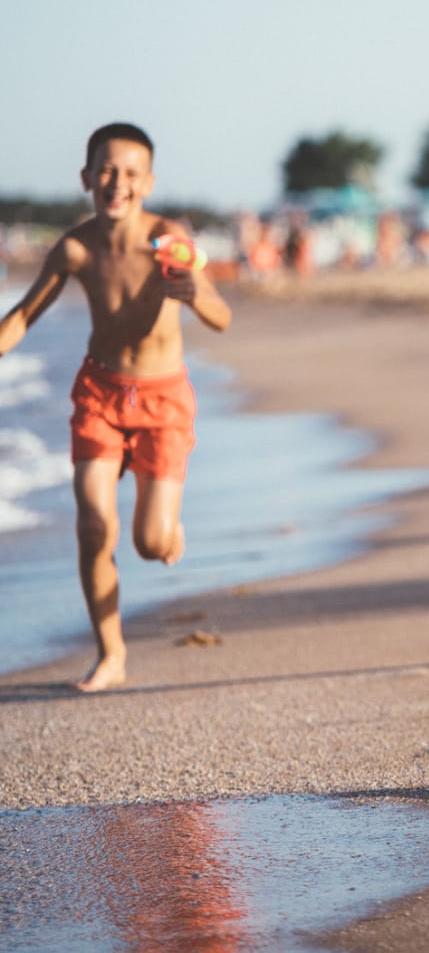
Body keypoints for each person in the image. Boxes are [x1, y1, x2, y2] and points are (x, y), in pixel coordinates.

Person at [0, 123, 232, 691]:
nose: (117, 182)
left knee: (150, 543)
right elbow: (25, 314)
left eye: (130, 173)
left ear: (148, 182)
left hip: (163, 399)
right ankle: (111, 652)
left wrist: (193, 292)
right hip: (99, 394)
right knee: (91, 523)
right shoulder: (76, 247)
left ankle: (166, 532)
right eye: (106, 170)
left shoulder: (168, 240)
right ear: (85, 177)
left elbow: (221, 316)